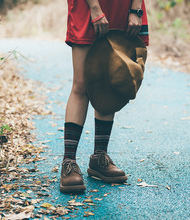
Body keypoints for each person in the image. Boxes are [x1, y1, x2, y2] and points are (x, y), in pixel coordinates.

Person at [60, 0, 149, 193]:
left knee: (110, 78)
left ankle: (99, 158)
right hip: (88, 7)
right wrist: (95, 8)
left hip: (124, 8)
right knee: (81, 85)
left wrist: (135, 9)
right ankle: (69, 163)